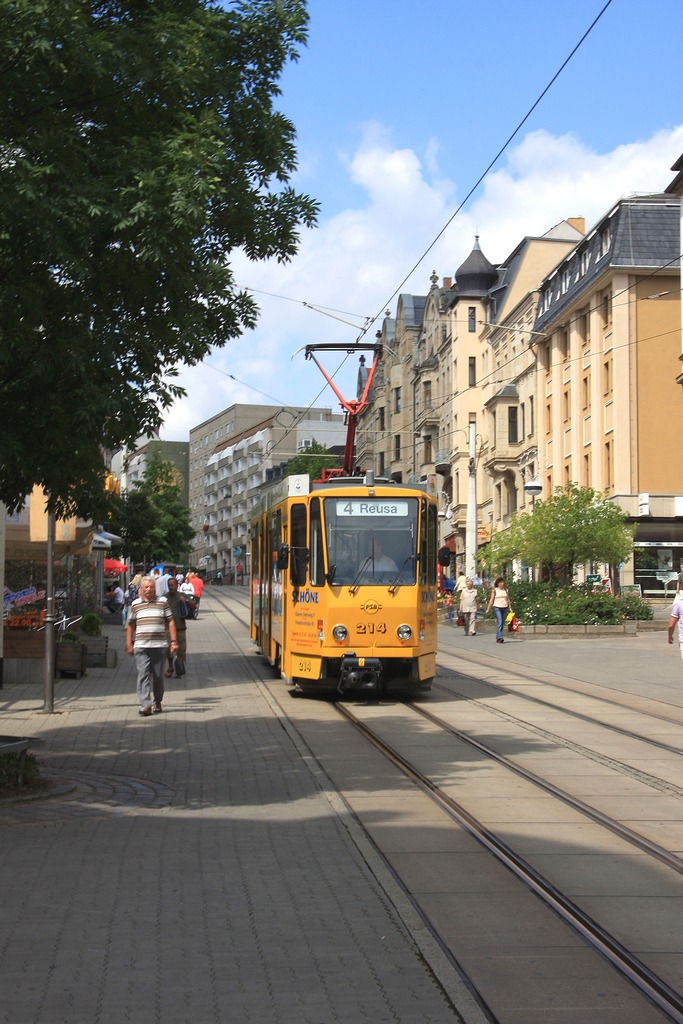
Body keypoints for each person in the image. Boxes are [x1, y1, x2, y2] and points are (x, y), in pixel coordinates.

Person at [126, 575, 178, 716]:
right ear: (141, 589)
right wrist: (129, 643)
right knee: (143, 674)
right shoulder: (135, 604)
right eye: (146, 587)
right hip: (141, 645)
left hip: (159, 645)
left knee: (157, 675)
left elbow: (171, 621)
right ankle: (145, 704)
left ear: (155, 588)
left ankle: (158, 701)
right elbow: (130, 625)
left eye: (151, 587)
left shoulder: (162, 601)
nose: (149, 589)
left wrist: (173, 642)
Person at [164, 577, 189, 678]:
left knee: (181, 650)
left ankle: (179, 669)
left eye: (172, 585)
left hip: (180, 628)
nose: (171, 587)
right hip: (167, 628)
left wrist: (186, 600)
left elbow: (193, 606)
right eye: (169, 585)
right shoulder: (164, 598)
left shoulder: (182, 595)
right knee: (169, 650)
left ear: (177, 586)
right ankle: (170, 667)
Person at [486, 576, 513, 643]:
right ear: (498, 583)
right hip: (497, 607)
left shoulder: (505, 590)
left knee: (502, 622)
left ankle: (498, 637)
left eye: (503, 582)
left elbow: (508, 599)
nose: (502, 583)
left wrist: (510, 607)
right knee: (500, 621)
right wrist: (488, 608)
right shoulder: (495, 590)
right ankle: (500, 637)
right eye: (501, 582)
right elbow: (491, 600)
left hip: (505, 607)